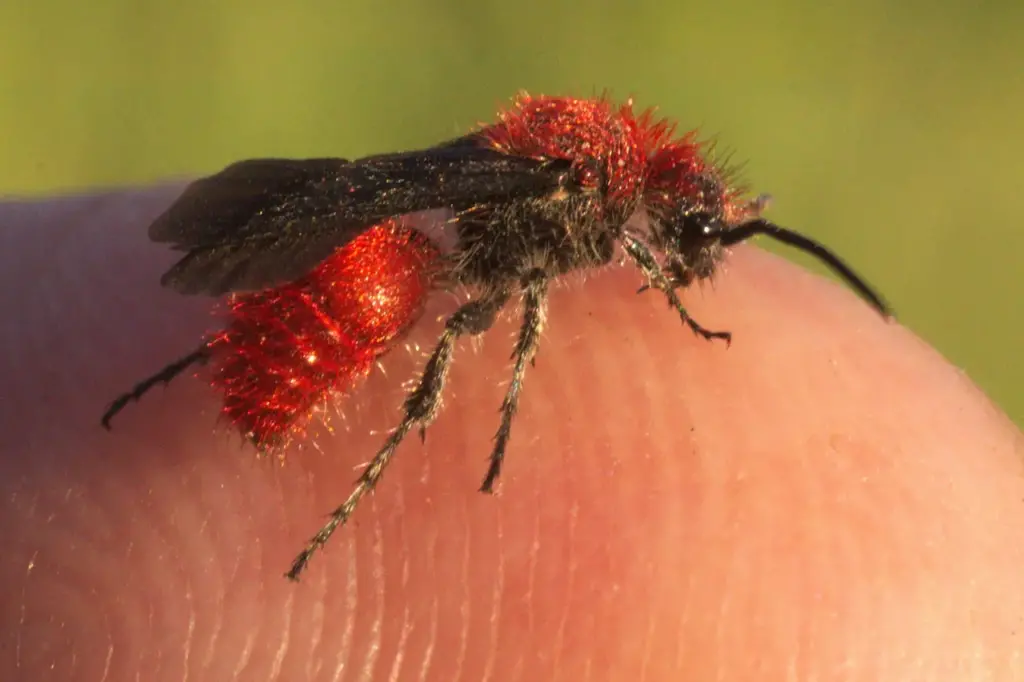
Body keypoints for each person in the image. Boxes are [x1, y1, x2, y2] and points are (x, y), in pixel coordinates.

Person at [2, 187, 1022, 681]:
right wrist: (504, 421)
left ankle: (213, 369)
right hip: (374, 281)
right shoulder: (572, 208)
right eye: (688, 245)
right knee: (448, 316)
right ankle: (356, 487)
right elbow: (520, 314)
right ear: (642, 212)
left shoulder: (580, 196)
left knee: (422, 296)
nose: (688, 262)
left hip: (381, 265)